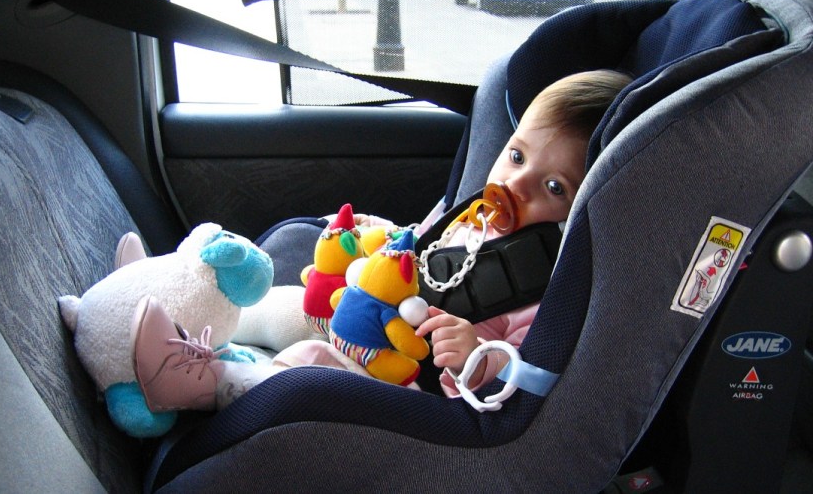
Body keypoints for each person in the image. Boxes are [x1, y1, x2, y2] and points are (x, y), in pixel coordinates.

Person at [131, 69, 634, 412]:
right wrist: (374, 233)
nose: (517, 184)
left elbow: (525, 368)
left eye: (554, 187)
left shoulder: (547, 283)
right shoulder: (473, 214)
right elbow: (417, 241)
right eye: (517, 156)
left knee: (307, 364)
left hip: (406, 382)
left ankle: (199, 382)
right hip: (369, 319)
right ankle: (183, 312)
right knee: (286, 304)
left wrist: (478, 354)